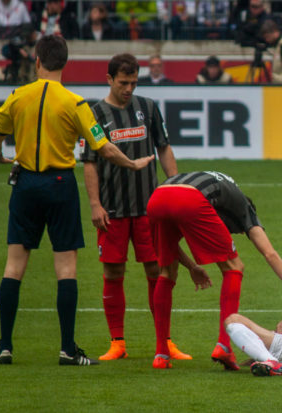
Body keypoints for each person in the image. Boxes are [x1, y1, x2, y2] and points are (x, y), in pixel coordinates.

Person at [0, 35, 155, 366]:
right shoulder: (75, 103)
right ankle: (67, 349)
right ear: (65, 64)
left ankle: (5, 346)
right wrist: (132, 163)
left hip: (25, 183)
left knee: (13, 266)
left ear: (37, 61)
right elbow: (103, 146)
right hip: (60, 183)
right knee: (65, 268)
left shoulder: (17, 97)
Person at [80, 53, 188, 362]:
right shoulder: (96, 113)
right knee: (113, 271)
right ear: (109, 79)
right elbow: (89, 163)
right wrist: (95, 204)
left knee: (157, 269)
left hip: (149, 208)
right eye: (123, 83)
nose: (129, 89)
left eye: (134, 83)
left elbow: (163, 148)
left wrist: (175, 186)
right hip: (112, 209)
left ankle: (164, 341)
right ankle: (117, 342)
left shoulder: (149, 108)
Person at [147, 171, 282, 370]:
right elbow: (270, 254)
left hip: (157, 198)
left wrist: (192, 266)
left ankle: (161, 354)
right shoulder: (245, 209)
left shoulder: (221, 195)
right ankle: (224, 346)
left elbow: (170, 248)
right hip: (189, 198)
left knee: (166, 272)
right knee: (234, 267)